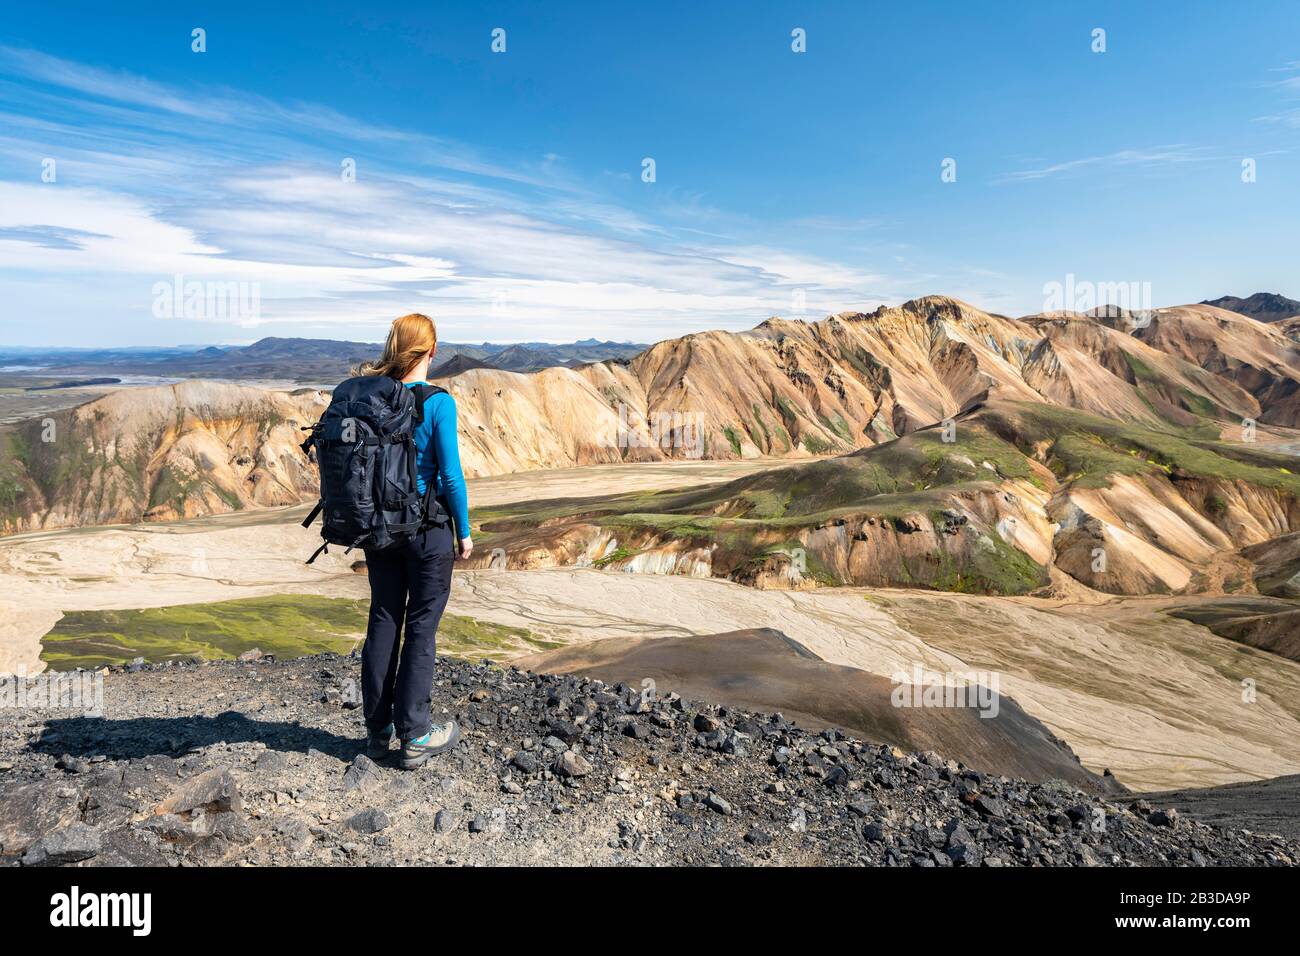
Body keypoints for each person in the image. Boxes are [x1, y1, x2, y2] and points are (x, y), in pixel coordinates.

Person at [355, 313, 472, 769]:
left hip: (380, 531)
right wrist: (463, 531)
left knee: (384, 618)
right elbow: (451, 475)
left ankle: (377, 731)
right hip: (427, 532)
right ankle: (416, 735)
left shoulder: (370, 399)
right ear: (432, 351)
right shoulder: (439, 404)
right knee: (421, 628)